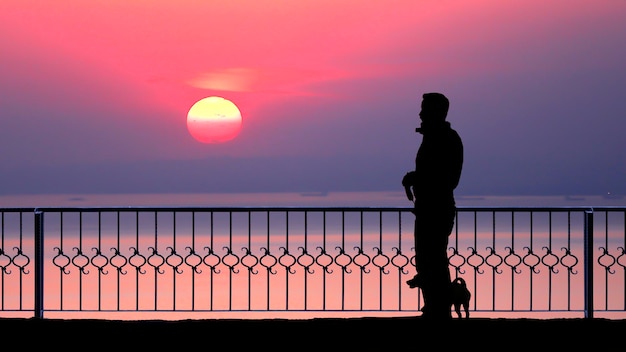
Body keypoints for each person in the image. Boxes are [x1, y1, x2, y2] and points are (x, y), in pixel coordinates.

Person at [402, 92, 463, 320]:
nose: (420, 113)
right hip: (428, 209)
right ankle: (434, 310)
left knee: (434, 261)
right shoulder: (433, 137)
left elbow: (448, 178)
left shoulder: (447, 139)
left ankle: (438, 312)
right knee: (427, 261)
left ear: (437, 112)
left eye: (425, 109)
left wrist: (416, 178)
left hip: (436, 209)